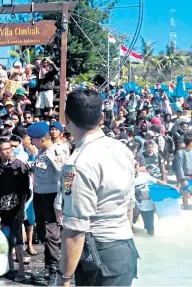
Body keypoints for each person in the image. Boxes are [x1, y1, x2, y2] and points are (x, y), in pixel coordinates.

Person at [56, 88, 138, 287]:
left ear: (66, 120)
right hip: (125, 248)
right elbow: (129, 205)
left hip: (99, 256)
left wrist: (64, 279)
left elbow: (75, 230)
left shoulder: (77, 163)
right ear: (101, 116)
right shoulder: (122, 149)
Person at [27, 121, 67, 285]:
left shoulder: (55, 153)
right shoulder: (42, 151)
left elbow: (65, 178)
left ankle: (55, 272)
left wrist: (58, 204)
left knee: (52, 235)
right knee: (43, 232)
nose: (31, 143)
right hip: (40, 196)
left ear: (42, 139)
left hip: (51, 197)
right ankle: (48, 267)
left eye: (33, 140)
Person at [0, 138, 30, 282]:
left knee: (17, 238)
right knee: (5, 238)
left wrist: (21, 208)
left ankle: (21, 269)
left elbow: (25, 190)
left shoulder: (19, 165)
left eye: (10, 148)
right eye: (5, 149)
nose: (8, 151)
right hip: (2, 208)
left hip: (17, 207)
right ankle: (9, 267)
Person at [174, 134, 192, 212]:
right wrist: (183, 179)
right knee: (185, 195)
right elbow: (179, 167)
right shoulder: (180, 153)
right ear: (191, 142)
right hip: (186, 177)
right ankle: (186, 209)